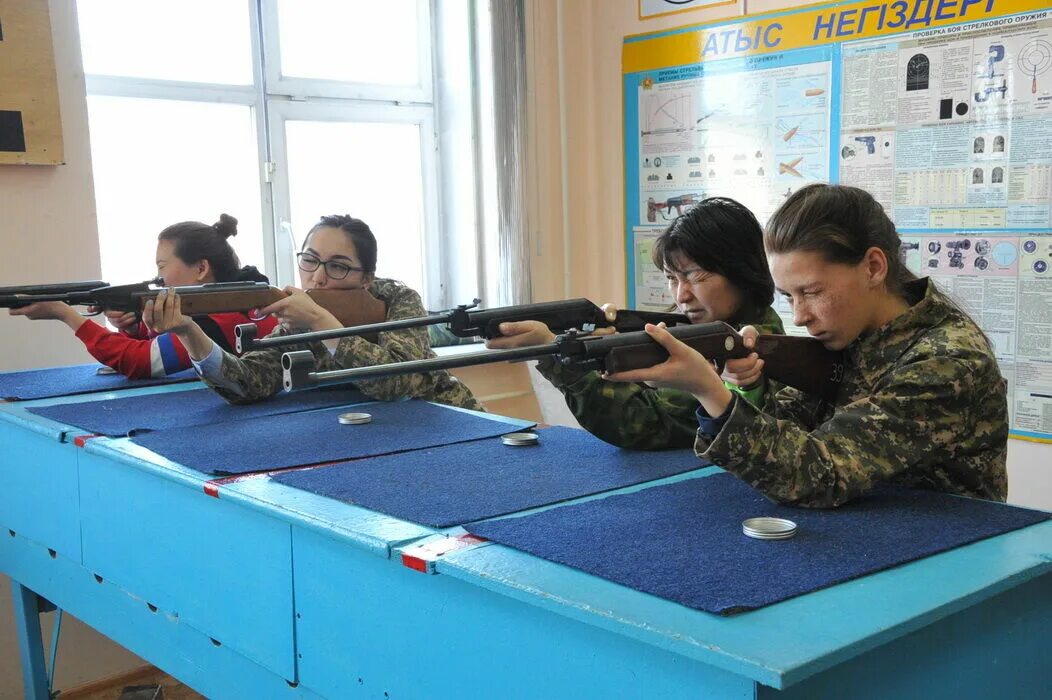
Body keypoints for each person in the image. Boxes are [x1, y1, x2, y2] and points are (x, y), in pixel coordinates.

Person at [605, 184, 1008, 507]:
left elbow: (818, 474)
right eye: (788, 297)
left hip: (948, 562)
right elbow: (783, 435)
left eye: (812, 292)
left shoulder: (947, 360)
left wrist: (708, 391)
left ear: (873, 267)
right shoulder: (849, 334)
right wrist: (747, 386)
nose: (799, 316)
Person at [487, 197, 783, 449]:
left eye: (696, 276)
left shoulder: (756, 348)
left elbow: (641, 422)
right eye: (671, 278)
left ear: (743, 275)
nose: (682, 295)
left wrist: (551, 352)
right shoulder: (689, 328)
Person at [145, 214, 482, 410]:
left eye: (338, 266)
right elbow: (247, 384)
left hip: (450, 420)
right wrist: (188, 332)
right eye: (310, 260)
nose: (318, 276)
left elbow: (394, 383)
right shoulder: (301, 311)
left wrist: (321, 322)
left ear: (366, 277)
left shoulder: (398, 299)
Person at [8, 214, 278, 378]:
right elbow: (156, 348)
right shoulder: (225, 307)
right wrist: (134, 328)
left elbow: (141, 362)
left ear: (201, 268)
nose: (157, 278)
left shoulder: (221, 319)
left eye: (162, 267)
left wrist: (65, 315)